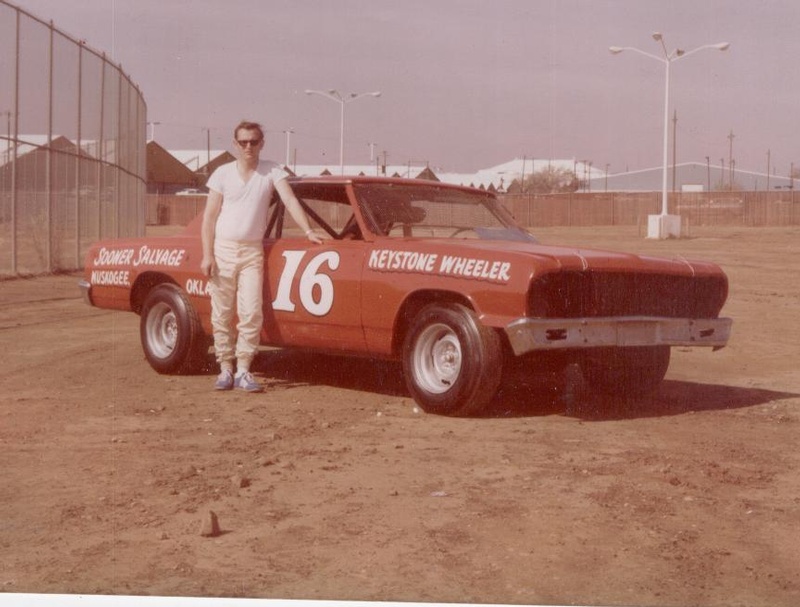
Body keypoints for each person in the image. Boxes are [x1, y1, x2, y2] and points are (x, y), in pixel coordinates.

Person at [200, 120, 323, 392]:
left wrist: (308, 230)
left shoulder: (272, 171)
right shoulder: (222, 173)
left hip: (252, 251)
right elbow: (209, 217)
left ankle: (244, 369)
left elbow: (290, 200)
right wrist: (207, 254)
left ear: (261, 143)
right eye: (243, 142)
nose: (248, 147)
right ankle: (225, 369)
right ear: (235, 144)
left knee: (251, 312)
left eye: (253, 142)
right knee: (221, 313)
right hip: (223, 250)